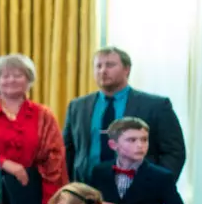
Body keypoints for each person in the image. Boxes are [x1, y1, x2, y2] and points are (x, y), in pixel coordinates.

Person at [63, 46, 185, 183]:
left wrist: (158, 188)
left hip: (137, 191)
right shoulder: (78, 107)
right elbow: (67, 151)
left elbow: (174, 152)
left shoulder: (156, 106)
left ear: (127, 69)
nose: (103, 71)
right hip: (86, 190)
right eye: (98, 66)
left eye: (110, 65)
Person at [0, 54, 67, 204]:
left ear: (29, 80)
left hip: (31, 195)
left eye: (18, 75)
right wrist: (4, 163)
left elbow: (54, 159)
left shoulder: (43, 115)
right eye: (5, 75)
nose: (11, 80)